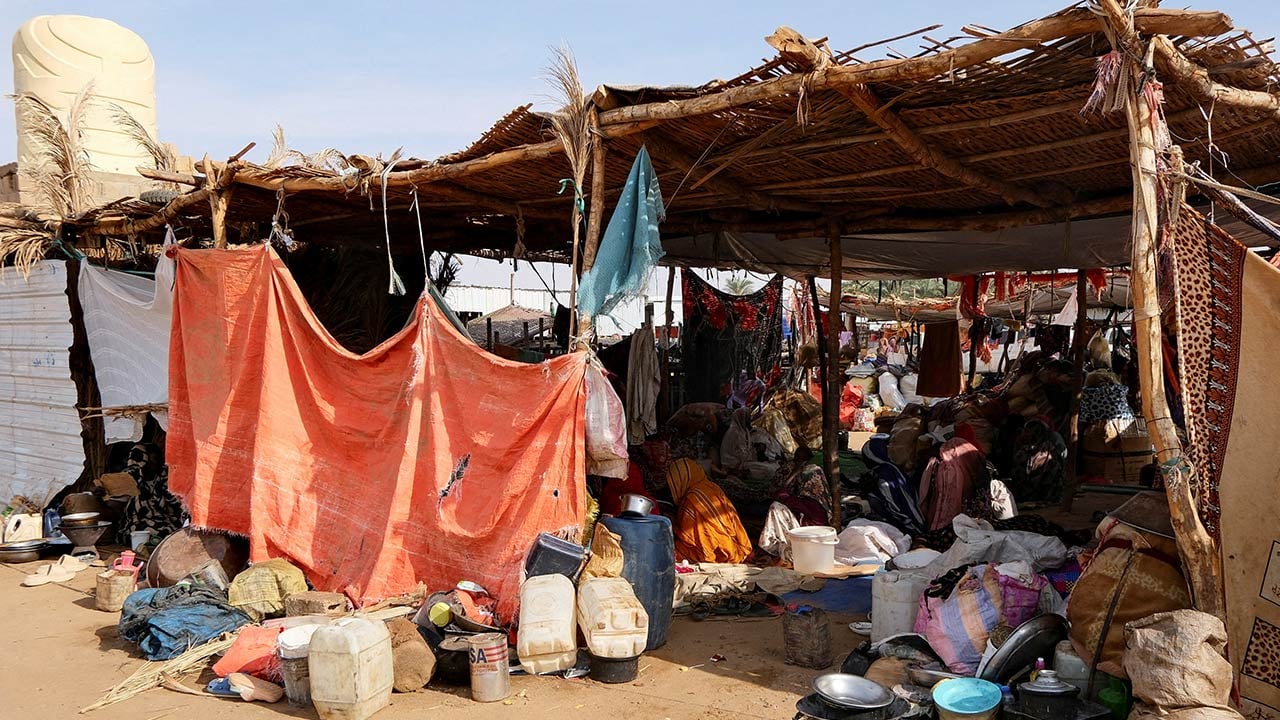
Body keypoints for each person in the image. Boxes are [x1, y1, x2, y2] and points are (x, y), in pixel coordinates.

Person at [665, 458, 753, 564]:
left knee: (667, 550)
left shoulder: (691, 499)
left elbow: (693, 537)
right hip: (737, 546)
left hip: (718, 552)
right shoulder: (711, 486)